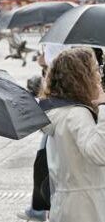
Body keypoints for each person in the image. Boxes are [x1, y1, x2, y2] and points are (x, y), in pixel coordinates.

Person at [40, 48, 105, 222]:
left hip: (66, 205)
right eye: (95, 70)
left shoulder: (59, 111)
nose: (99, 76)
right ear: (82, 77)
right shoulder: (77, 114)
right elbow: (99, 153)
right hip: (86, 209)